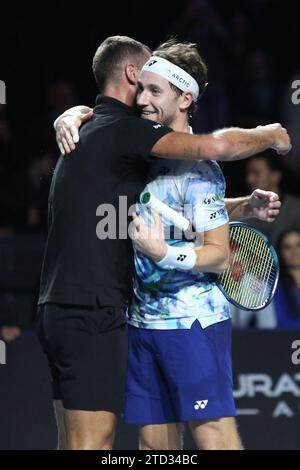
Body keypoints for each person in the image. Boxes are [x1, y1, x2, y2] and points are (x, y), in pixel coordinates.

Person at [40, 35, 290, 451]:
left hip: (191, 324)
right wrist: (69, 115)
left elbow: (218, 254)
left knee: (215, 441)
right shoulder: (142, 153)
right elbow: (165, 211)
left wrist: (271, 133)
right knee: (155, 449)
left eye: (155, 91)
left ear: (186, 98)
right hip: (140, 323)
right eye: (142, 88)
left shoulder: (201, 170)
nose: (143, 99)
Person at [245, 153, 300, 246]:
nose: (249, 179)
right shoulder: (244, 210)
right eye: (248, 173)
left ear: (275, 175)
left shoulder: (296, 209)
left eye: (256, 173)